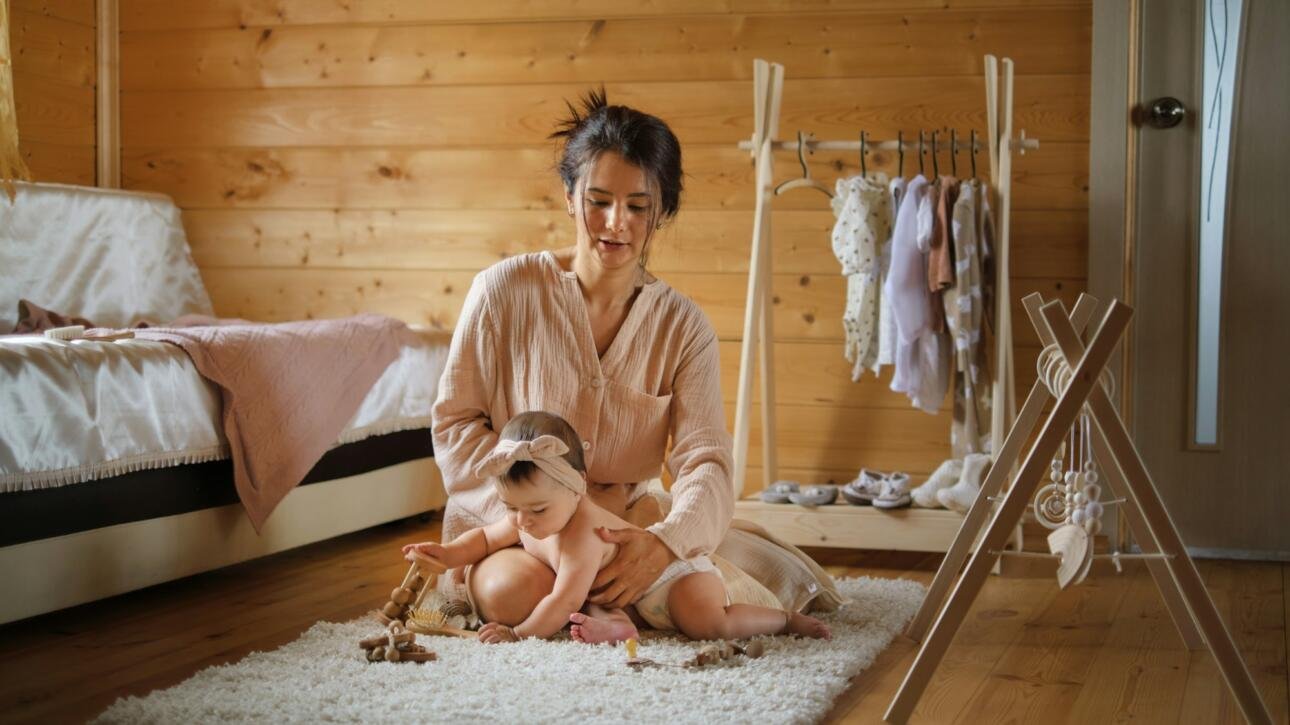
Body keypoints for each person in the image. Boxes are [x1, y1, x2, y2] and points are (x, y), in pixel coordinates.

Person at [431, 89, 844, 627]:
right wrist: (526, 509)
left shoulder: (684, 326)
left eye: (637, 206)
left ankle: (627, 597)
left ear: (662, 210)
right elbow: (456, 422)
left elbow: (706, 461)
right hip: (522, 529)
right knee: (513, 594)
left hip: (629, 526)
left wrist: (664, 545)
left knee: (760, 590)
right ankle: (613, 607)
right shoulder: (502, 291)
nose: (615, 223)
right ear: (568, 194)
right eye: (598, 200)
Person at [407, 412, 830, 643]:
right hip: (623, 596)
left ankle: (781, 621)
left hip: (674, 579)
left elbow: (560, 601)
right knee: (591, 599)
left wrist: (518, 635)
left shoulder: (582, 534)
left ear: (577, 490)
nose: (521, 522)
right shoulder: (529, 515)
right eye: (510, 507)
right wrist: (448, 556)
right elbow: (483, 537)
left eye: (535, 509)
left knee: (705, 624)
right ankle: (618, 626)